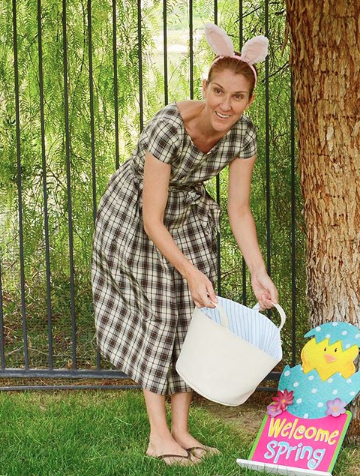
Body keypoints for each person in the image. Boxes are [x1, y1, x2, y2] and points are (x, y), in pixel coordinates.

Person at [91, 23, 278, 466]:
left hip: (188, 214)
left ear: (249, 101)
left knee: (195, 318)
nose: (225, 104)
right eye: (218, 91)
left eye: (237, 97)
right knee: (160, 315)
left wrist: (258, 270)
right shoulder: (168, 128)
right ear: (204, 86)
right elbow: (152, 219)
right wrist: (190, 272)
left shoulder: (244, 136)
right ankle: (158, 436)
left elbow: (239, 210)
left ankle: (181, 430)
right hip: (138, 219)